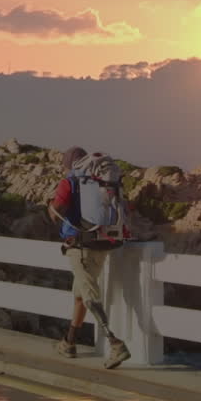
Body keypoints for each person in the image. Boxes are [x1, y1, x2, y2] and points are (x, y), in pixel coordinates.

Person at [48, 146, 131, 369]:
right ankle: (69, 342)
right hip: (101, 245)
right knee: (80, 294)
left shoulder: (70, 181)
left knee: (89, 295)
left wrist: (50, 208)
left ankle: (116, 344)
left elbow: (59, 209)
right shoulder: (101, 181)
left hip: (80, 246)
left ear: (69, 164)